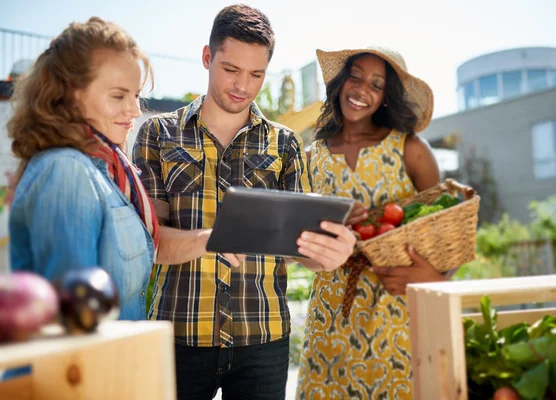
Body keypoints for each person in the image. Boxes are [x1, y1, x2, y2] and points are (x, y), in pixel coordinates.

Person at [132, 4, 356, 400]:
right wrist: (211, 238)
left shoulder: (284, 144)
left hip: (263, 339)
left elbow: (298, 249)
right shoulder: (157, 134)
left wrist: (326, 253)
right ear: (207, 57)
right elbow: (148, 243)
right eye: (231, 70)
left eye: (256, 74)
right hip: (179, 334)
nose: (242, 86)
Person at [296, 47, 457, 399]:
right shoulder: (312, 158)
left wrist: (434, 278)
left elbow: (449, 230)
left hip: (397, 315)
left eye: (376, 83)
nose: (361, 89)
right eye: (354, 76)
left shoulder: (410, 149)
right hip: (330, 318)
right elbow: (298, 246)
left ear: (386, 96)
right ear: (340, 82)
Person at [8, 17, 158, 320]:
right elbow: (73, 323)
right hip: (95, 367)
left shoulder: (106, 169)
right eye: (118, 95)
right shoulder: (66, 172)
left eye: (136, 95)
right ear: (71, 95)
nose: (135, 110)